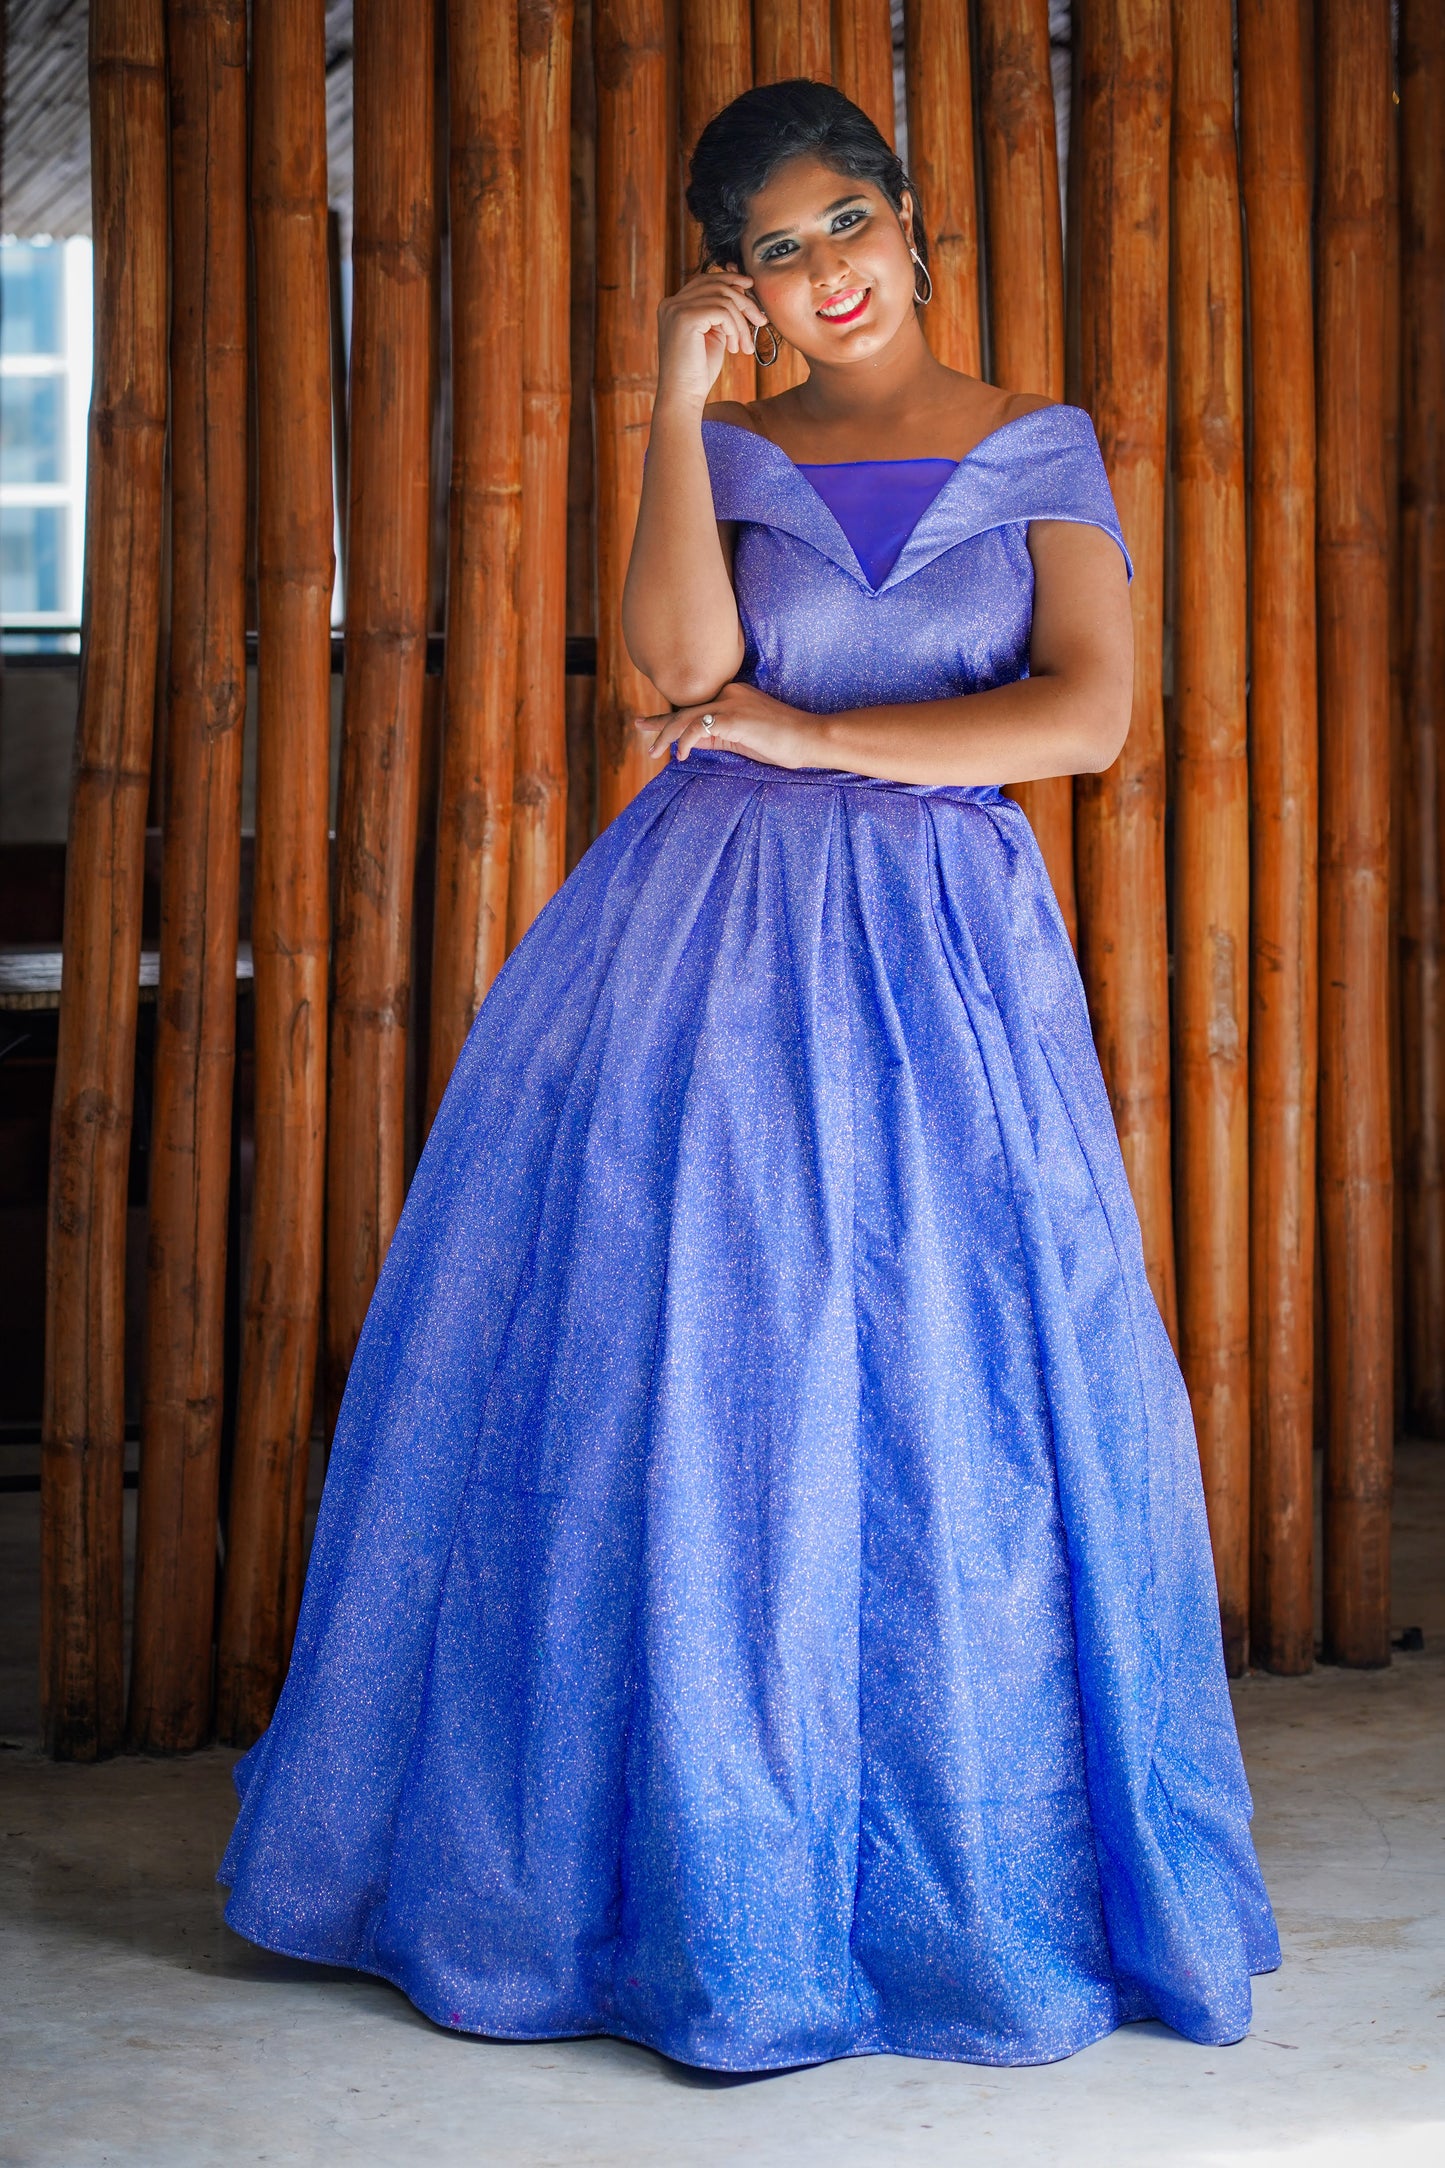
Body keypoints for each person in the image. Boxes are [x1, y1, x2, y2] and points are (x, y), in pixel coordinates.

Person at [221, 79, 1279, 2073]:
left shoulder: (1040, 446)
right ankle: (671, 1870)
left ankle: (951, 1881)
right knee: (699, 1359)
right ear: (738, 286)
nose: (825, 275)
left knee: (955, 1376)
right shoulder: (726, 441)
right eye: (774, 254)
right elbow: (665, 675)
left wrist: (813, 744)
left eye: (845, 225)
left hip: (949, 968)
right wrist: (663, 404)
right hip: (701, 954)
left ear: (911, 218)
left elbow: (1088, 716)